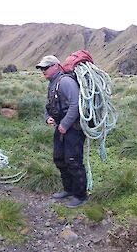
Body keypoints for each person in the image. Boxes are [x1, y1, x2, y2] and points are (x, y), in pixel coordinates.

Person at [36, 55, 87, 208]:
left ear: (56, 66)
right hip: (61, 128)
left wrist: (64, 125)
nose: (43, 71)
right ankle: (69, 189)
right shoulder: (52, 84)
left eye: (46, 67)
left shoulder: (65, 82)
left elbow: (75, 105)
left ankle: (80, 195)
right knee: (59, 158)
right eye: (41, 68)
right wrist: (48, 118)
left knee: (73, 160)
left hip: (74, 129)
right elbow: (49, 106)